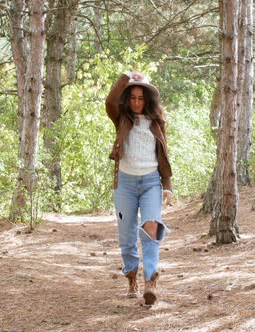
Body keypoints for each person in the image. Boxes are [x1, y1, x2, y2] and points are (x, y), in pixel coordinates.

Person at [105, 71, 173, 305]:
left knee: (151, 227)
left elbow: (164, 153)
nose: (136, 102)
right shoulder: (121, 118)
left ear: (148, 100)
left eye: (140, 98)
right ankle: (131, 278)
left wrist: (167, 185)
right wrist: (125, 77)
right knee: (127, 236)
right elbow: (110, 101)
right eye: (132, 97)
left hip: (151, 182)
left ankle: (150, 281)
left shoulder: (157, 122)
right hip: (125, 184)